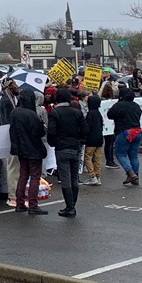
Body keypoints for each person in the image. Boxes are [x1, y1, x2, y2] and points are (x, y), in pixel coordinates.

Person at [48, 87, 87, 218]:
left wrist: (53, 142)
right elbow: (85, 130)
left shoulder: (55, 113)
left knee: (65, 178)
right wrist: (80, 140)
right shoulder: (77, 112)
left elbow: (52, 132)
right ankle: (72, 204)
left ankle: (69, 207)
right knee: (74, 177)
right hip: (75, 147)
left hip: (61, 148)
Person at [8, 87, 47, 214]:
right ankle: (33, 205)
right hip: (33, 148)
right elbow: (38, 132)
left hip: (20, 148)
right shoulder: (31, 114)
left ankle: (19, 203)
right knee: (35, 176)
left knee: (23, 175)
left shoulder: (14, 112)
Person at [107, 86, 142, 186]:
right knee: (134, 156)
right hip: (138, 131)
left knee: (120, 154)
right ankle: (135, 176)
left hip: (124, 132)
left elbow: (110, 115)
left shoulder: (119, 105)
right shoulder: (136, 105)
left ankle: (131, 173)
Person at [81, 94, 104, 187]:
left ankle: (92, 176)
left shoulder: (90, 114)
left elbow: (87, 127)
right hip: (99, 138)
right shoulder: (98, 113)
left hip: (91, 139)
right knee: (97, 158)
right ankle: (98, 176)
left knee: (88, 157)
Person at [99, 81, 118, 168]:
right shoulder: (109, 101)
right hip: (110, 125)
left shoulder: (101, 100)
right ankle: (109, 160)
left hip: (106, 125)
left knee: (108, 143)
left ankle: (110, 160)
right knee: (109, 143)